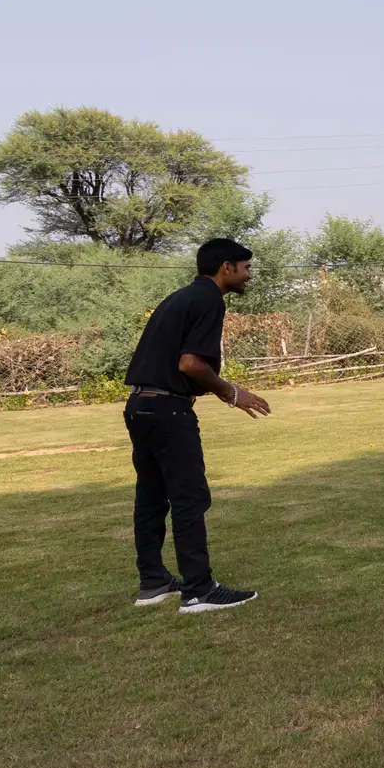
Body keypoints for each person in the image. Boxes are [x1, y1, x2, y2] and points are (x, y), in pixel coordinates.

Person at [123, 238, 271, 613]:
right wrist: (232, 393)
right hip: (169, 411)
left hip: (141, 406)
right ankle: (199, 591)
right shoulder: (209, 300)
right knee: (189, 498)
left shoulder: (181, 296)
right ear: (226, 268)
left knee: (152, 497)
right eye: (246, 267)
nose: (249, 274)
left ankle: (153, 582)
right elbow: (190, 364)